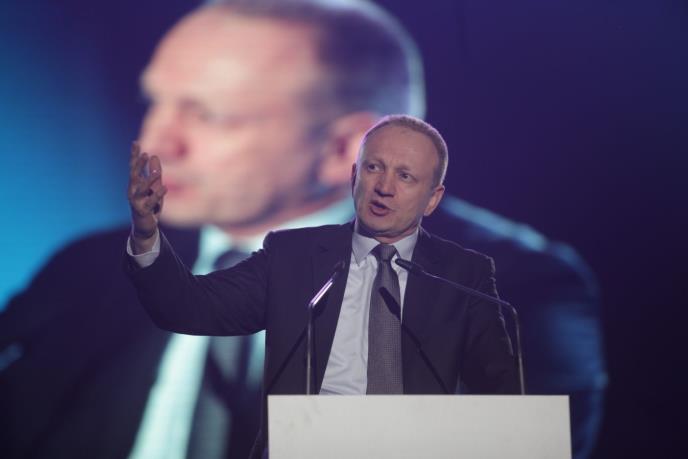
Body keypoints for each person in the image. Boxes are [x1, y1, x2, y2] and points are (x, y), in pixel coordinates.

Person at [0, 1, 605, 458]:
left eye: (206, 114)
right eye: (156, 102)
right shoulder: (93, 268)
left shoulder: (509, 288)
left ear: (347, 149)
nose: (157, 142)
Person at [126, 114, 519, 457]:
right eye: (374, 168)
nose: (384, 187)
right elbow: (189, 307)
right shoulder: (293, 256)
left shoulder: (462, 275)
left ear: (432, 199)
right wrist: (146, 235)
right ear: (354, 176)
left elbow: (501, 398)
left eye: (405, 176)